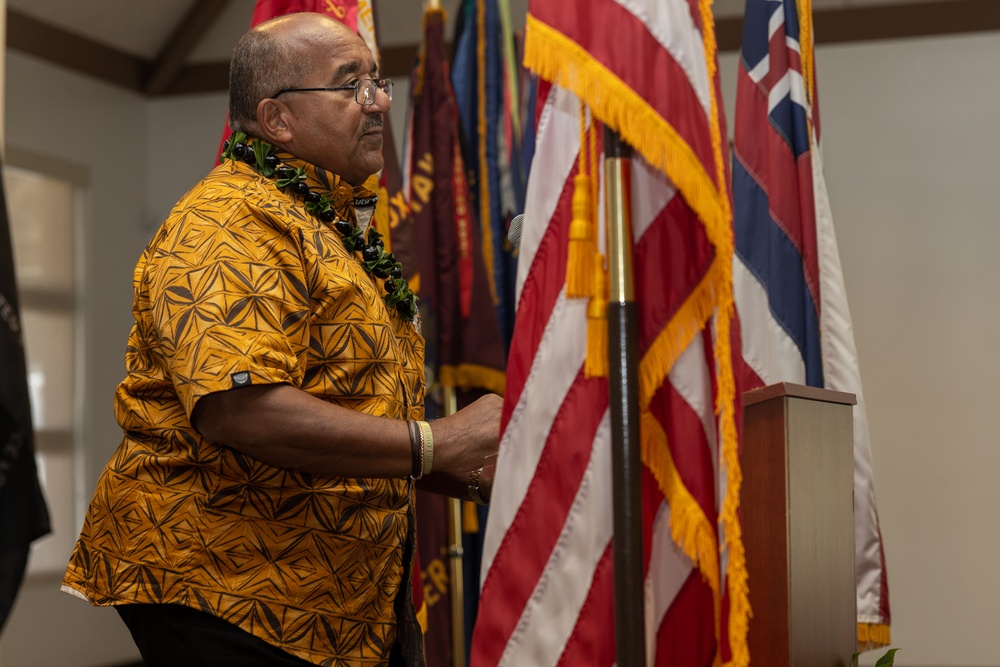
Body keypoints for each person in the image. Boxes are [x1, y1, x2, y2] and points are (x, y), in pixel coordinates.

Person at [61, 12, 501, 667]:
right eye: (351, 85)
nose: (380, 101)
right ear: (276, 120)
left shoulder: (327, 223)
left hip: (332, 596)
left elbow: (348, 409)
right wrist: (439, 441)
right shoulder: (226, 224)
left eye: (378, 82)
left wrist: (469, 468)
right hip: (227, 589)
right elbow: (243, 408)